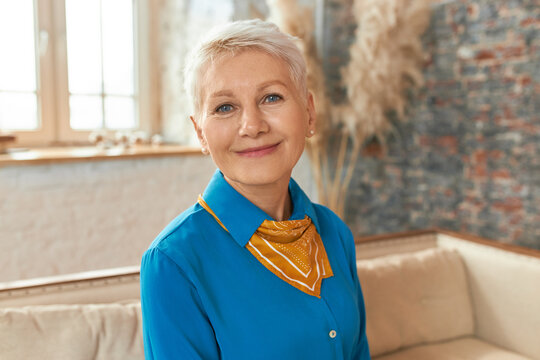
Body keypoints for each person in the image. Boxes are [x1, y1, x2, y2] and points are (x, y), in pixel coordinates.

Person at [140, 19, 370, 359]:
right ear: (200, 132)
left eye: (272, 97)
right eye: (225, 107)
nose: (252, 126)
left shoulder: (335, 232)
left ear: (308, 113)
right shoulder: (173, 263)